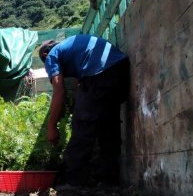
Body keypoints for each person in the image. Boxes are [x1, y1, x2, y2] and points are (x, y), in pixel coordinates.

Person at [39, 34, 130, 187]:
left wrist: (51, 126)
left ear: (45, 55)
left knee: (82, 125)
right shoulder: (72, 46)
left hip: (99, 71)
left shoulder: (51, 56)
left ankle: (74, 181)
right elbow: (78, 85)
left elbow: (58, 91)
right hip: (120, 67)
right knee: (108, 125)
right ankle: (109, 179)